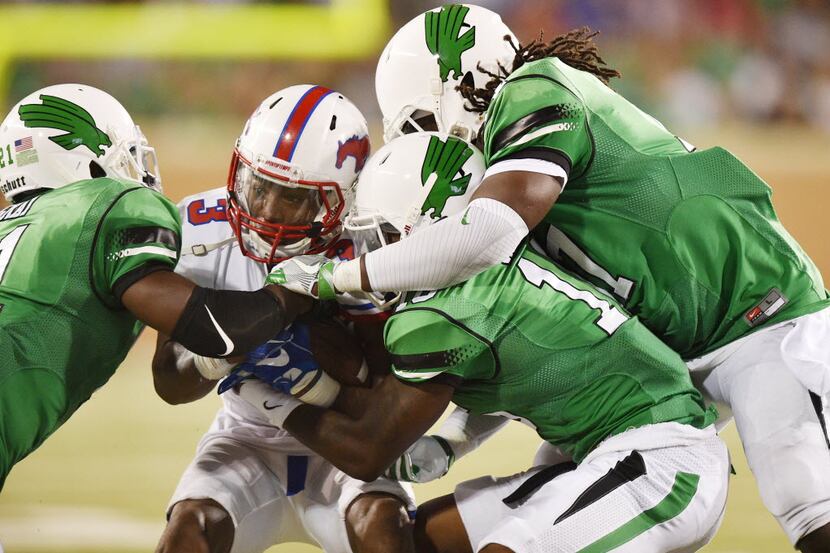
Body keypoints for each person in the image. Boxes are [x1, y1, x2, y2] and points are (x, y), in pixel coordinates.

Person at [274, 6, 830, 550]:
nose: (437, 143)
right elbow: (523, 342)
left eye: (425, 123)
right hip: (672, 355)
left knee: (807, 497)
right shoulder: (514, 193)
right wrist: (456, 434)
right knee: (556, 495)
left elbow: (485, 233)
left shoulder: (537, 88)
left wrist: (333, 276)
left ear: (461, 85)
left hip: (762, 313)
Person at [249, 131, 731, 552]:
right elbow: (529, 366)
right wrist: (455, 439)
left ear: (425, 232)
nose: (373, 255)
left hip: (662, 462)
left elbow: (366, 449)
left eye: (385, 237)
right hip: (604, 456)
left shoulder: (445, 311)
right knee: (424, 539)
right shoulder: (492, 279)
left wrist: (257, 388)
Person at [0, 84, 309, 491]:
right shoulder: (106, 202)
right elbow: (216, 329)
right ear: (85, 163)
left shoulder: (16, 226)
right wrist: (297, 289)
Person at [153, 85, 416, 553]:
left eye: (292, 199)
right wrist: (217, 357)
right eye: (259, 187)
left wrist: (319, 380)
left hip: (346, 448)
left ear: (341, 203)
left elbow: (382, 407)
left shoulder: (374, 244)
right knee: (188, 528)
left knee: (383, 525)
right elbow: (170, 383)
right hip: (244, 438)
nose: (266, 213)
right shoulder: (199, 228)